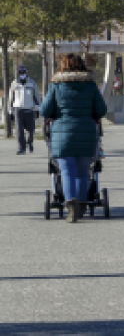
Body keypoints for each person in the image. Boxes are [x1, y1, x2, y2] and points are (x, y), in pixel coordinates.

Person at [40, 54, 106, 223]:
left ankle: (70, 204)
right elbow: (101, 109)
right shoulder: (90, 85)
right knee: (83, 172)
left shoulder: (56, 85)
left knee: (66, 170)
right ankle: (82, 204)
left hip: (62, 134)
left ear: (62, 66)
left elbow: (45, 110)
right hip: (86, 133)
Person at [9, 66, 41, 155]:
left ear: (26, 73)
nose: (22, 74)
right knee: (19, 130)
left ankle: (29, 142)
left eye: (23, 72)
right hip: (18, 109)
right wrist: (10, 111)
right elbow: (11, 99)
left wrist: (37, 109)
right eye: (20, 73)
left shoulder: (32, 83)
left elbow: (37, 97)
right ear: (18, 73)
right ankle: (21, 147)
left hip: (29, 109)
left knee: (31, 130)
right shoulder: (14, 84)